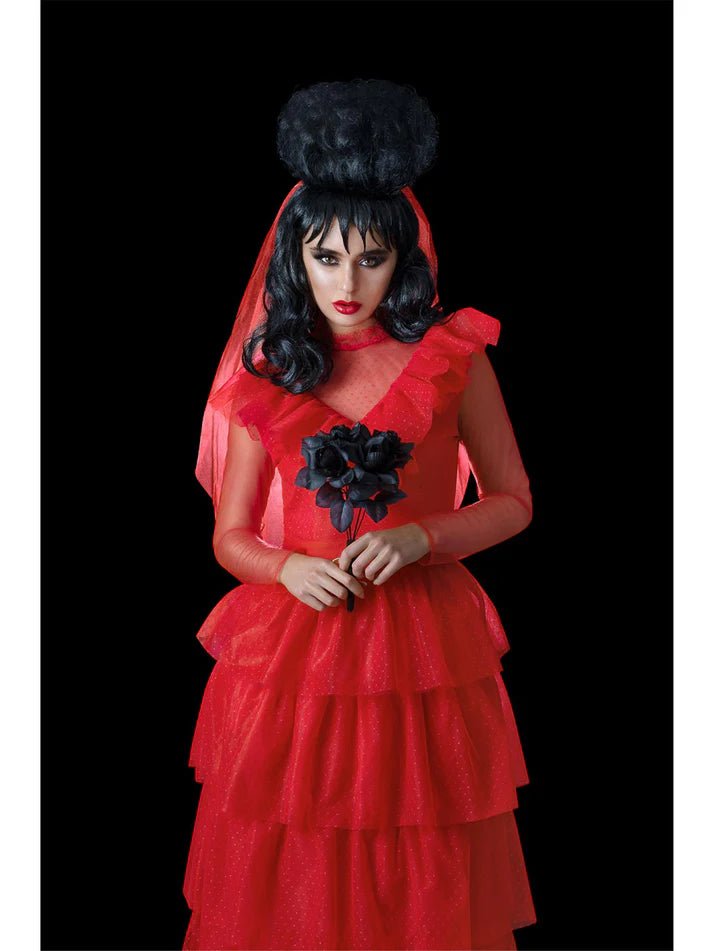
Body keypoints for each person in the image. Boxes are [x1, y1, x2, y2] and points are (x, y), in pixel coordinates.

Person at [182, 79, 537, 951]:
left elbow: (513, 501)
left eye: (370, 258)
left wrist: (424, 535)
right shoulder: (269, 373)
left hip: (421, 644)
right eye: (327, 257)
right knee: (289, 847)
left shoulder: (454, 359)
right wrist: (285, 565)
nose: (347, 281)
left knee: (420, 847)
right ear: (295, 258)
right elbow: (229, 537)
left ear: (402, 259)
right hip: (294, 646)